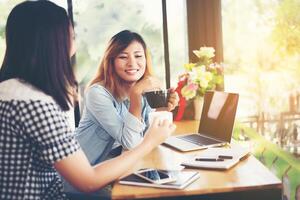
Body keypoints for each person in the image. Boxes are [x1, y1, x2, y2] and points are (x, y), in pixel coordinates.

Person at [0, 1, 175, 200]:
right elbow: (88, 181)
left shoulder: (11, 90)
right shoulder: (35, 103)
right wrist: (149, 143)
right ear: (54, 43)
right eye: (71, 36)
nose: (74, 45)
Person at [74, 30, 179, 166]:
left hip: (116, 167)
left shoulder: (144, 89)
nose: (132, 63)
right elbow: (132, 144)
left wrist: (160, 109)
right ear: (111, 61)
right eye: (123, 57)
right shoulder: (97, 94)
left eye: (138, 56)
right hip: (86, 175)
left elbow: (146, 140)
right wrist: (135, 95)